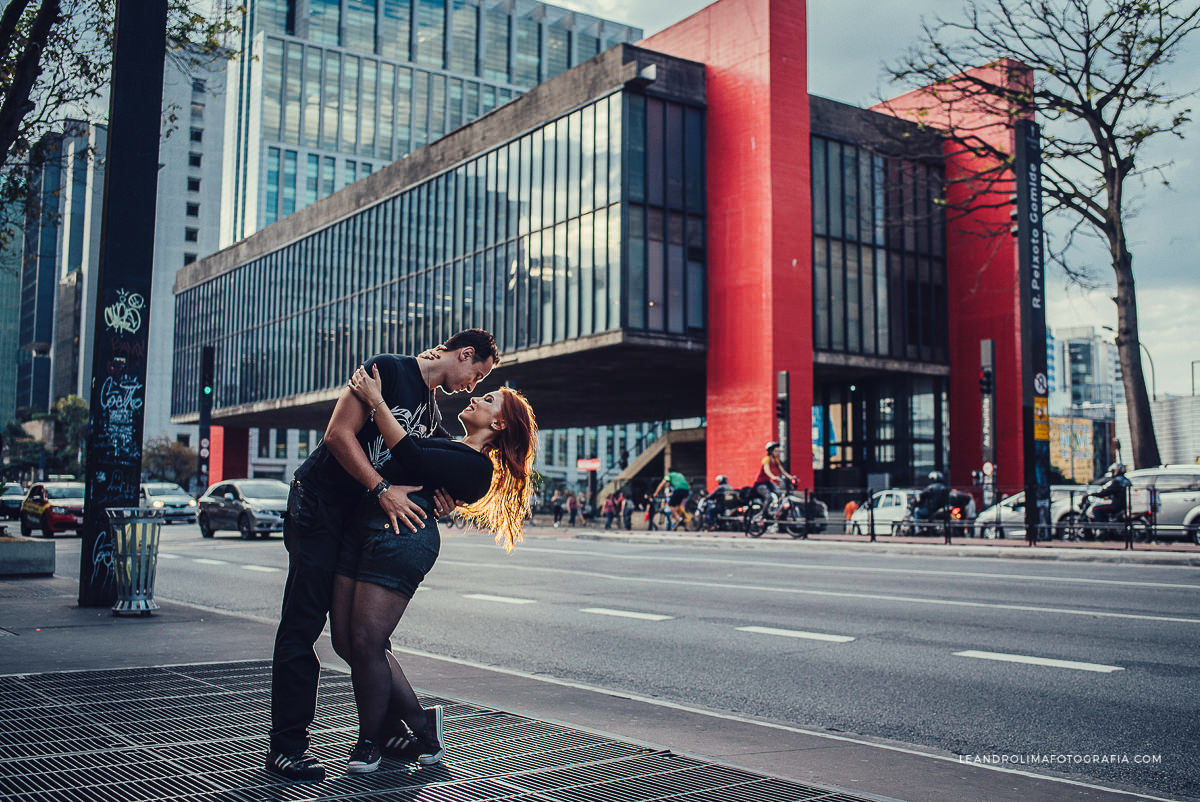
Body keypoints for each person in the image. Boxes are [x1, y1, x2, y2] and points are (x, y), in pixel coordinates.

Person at [266, 329, 498, 782]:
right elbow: (337, 435)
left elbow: (425, 461)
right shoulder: (386, 370)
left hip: (357, 522)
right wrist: (381, 489)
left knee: (362, 638)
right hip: (319, 504)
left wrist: (441, 498)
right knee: (303, 624)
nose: (472, 385)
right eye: (477, 373)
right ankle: (287, 747)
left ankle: (390, 732)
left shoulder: (431, 413)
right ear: (465, 354)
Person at [331, 364, 537, 773]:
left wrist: (376, 401)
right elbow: (416, 452)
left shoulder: (478, 468)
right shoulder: (450, 443)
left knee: (367, 639)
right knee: (345, 642)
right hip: (364, 525)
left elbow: (410, 453)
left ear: (498, 423)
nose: (475, 396)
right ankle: (423, 724)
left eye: (488, 398)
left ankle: (370, 741)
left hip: (403, 538)